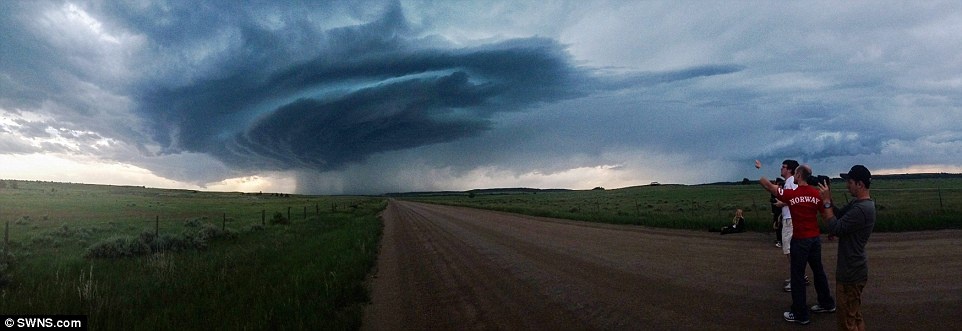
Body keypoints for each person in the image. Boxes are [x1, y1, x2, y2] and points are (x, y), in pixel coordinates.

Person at [760, 164, 835, 325]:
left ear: (799, 176)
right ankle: (826, 303)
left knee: (797, 276)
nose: (793, 175)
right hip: (815, 239)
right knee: (818, 271)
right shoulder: (816, 195)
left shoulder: (792, 195)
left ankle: (800, 313)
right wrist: (831, 231)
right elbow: (825, 214)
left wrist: (760, 171)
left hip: (800, 240)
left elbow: (769, 187)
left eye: (795, 173)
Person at [818, 165, 876, 331]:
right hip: (855, 269)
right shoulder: (858, 203)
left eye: (849, 182)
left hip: (851, 273)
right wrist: (828, 198)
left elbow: (835, 228)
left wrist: (827, 202)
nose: (847, 185)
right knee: (855, 316)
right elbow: (839, 215)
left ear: (860, 184)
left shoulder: (862, 209)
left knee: (846, 322)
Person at [771, 177, 785, 247]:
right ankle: (779, 239)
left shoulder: (783, 193)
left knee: (781, 226)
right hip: (777, 211)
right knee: (777, 226)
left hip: (781, 212)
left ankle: (781, 241)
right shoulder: (774, 193)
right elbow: (772, 201)